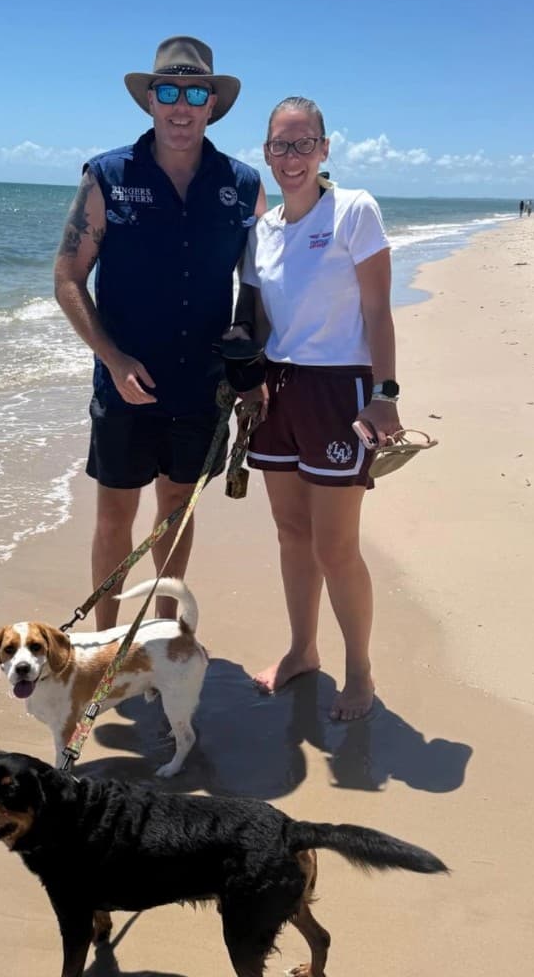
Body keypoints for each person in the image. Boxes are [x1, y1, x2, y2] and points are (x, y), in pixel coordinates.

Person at [54, 36, 265, 628]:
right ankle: (107, 643)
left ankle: (163, 637)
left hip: (203, 384)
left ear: (211, 105)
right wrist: (113, 359)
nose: (180, 106)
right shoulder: (107, 176)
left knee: (176, 507)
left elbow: (256, 281)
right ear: (150, 100)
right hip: (126, 384)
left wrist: (252, 364)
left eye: (194, 93)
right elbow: (68, 278)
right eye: (168, 91)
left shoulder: (243, 184)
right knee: (115, 515)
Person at [238, 96, 400, 721]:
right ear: (266, 153)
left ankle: (359, 671)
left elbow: (379, 311)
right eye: (280, 145)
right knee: (291, 532)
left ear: (325, 148)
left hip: (341, 391)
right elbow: (252, 318)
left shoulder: (355, 210)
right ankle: (302, 649)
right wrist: (246, 382)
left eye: (304, 144)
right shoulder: (262, 230)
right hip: (278, 391)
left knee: (336, 547)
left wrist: (385, 395)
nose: (292, 156)